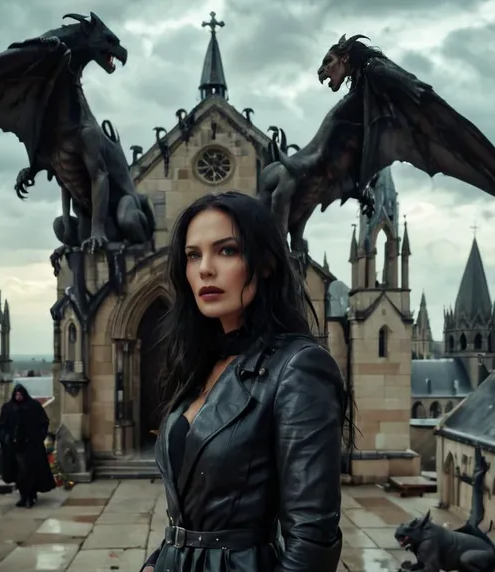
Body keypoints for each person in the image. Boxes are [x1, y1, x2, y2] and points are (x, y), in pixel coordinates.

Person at [141, 191, 347, 572]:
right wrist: (159, 560)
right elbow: (192, 503)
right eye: (192, 255)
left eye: (226, 250)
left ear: (266, 263)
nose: (205, 269)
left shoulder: (300, 369)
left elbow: (313, 542)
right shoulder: (201, 363)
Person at [0, 384, 56, 507]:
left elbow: (43, 423)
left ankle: (30, 496)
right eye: (16, 395)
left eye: (20, 395)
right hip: (14, 448)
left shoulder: (33, 406)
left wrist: (38, 438)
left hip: (31, 447)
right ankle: (24, 496)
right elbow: (0, 426)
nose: (18, 397)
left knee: (29, 472)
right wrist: (7, 439)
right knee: (19, 473)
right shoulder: (8, 408)